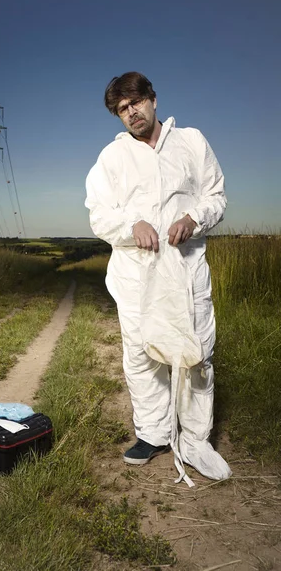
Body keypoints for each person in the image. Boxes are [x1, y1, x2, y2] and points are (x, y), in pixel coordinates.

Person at [85, 72, 231, 483]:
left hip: (185, 269)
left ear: (152, 98)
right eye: (121, 110)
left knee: (197, 352)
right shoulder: (110, 159)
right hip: (137, 275)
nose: (130, 113)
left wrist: (193, 217)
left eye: (135, 103)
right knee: (142, 355)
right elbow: (99, 214)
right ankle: (153, 434)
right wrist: (133, 227)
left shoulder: (192, 142)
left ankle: (196, 440)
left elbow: (215, 196)